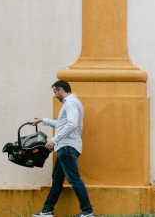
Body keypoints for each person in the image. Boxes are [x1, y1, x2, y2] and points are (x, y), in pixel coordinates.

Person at [30, 81, 94, 217]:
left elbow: (71, 124)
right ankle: (47, 210)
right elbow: (62, 124)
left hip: (67, 146)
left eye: (55, 92)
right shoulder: (72, 103)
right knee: (57, 178)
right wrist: (43, 120)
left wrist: (54, 140)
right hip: (66, 146)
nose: (54, 95)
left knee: (74, 179)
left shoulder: (70, 103)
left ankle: (87, 211)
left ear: (60, 90)